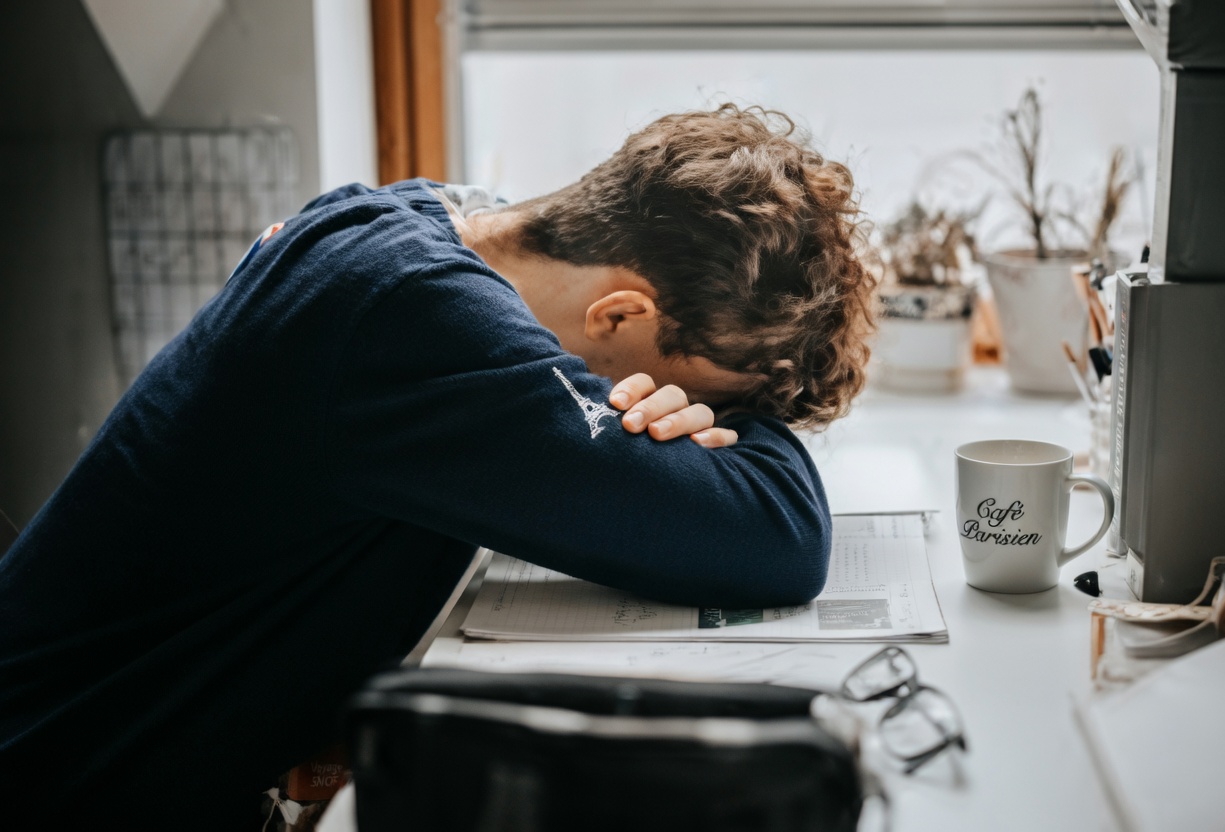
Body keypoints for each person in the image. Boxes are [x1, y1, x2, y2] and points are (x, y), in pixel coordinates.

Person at [0, 104, 874, 826]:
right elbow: (777, 538)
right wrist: (743, 440)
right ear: (619, 316)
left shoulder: (420, 222)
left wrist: (699, 411)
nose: (682, 422)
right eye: (700, 398)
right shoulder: (411, 316)